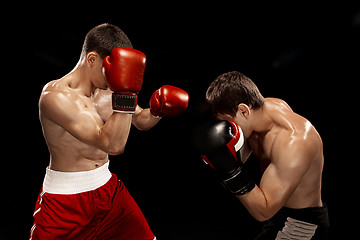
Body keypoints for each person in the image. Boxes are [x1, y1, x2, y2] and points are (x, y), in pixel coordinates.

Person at [30, 23, 189, 240]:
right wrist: (125, 93)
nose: (114, 78)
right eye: (111, 69)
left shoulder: (108, 90)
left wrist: (157, 111)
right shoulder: (55, 97)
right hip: (65, 201)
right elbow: (112, 144)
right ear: (92, 59)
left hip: (108, 191)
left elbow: (141, 120)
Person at [196, 71, 329, 239]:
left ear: (243, 111)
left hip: (301, 225)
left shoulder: (294, 143)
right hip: (279, 215)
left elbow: (263, 211)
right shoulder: (261, 110)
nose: (226, 127)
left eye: (227, 121)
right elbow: (239, 156)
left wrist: (230, 170)